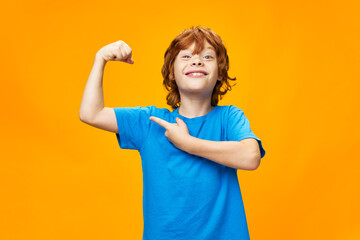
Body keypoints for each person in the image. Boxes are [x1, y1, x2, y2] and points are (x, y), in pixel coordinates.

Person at [79, 26, 266, 240]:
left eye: (207, 56)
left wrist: (188, 143)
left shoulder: (229, 118)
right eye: (186, 56)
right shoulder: (150, 122)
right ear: (171, 73)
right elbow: (90, 113)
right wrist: (100, 58)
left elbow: (251, 157)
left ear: (220, 74)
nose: (196, 61)